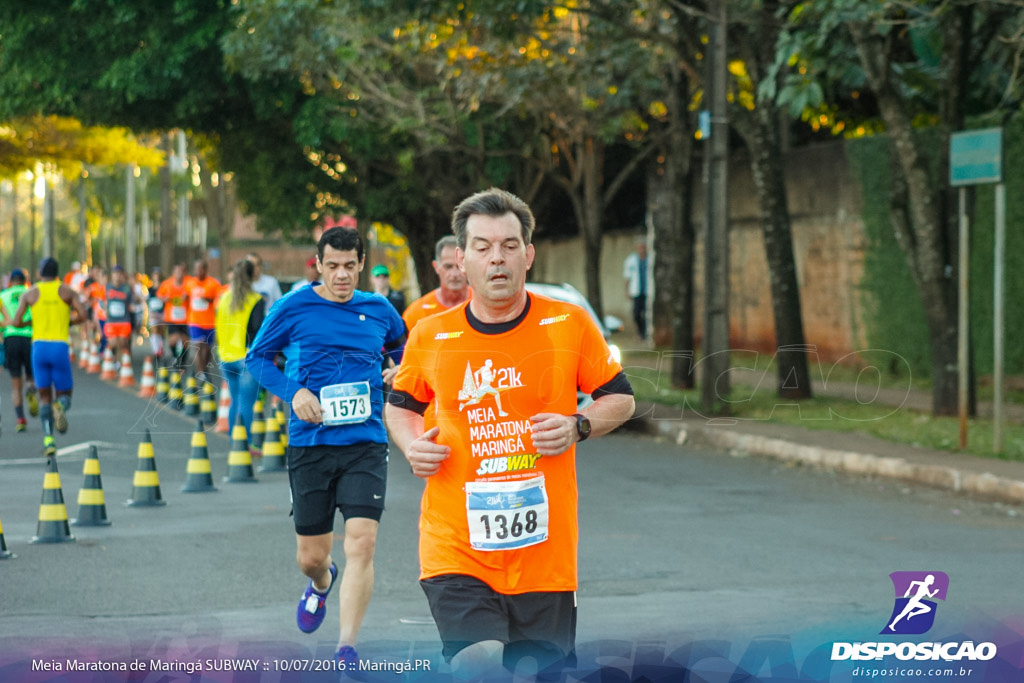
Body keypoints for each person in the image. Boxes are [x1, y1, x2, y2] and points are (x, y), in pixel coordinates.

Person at [385, 188, 635, 680]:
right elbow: (401, 406)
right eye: (482, 246)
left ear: (528, 254)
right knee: (478, 660)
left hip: (545, 555)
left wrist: (578, 425)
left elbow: (621, 399)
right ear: (462, 257)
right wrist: (412, 442)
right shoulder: (432, 335)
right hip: (455, 545)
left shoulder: (567, 323)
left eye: (508, 245)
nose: (496, 258)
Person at [246, 227, 406, 669]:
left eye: (349, 267)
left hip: (366, 442)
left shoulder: (379, 308)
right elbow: (257, 358)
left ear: (361, 265)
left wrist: (399, 369)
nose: (341, 275)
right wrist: (294, 391)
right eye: (332, 266)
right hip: (311, 444)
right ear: (318, 264)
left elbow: (402, 345)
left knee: (362, 544)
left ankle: (346, 647)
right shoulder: (293, 306)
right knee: (311, 557)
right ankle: (321, 583)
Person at [12, 258, 88, 457]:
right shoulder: (66, 291)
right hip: (59, 347)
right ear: (57, 274)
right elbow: (83, 314)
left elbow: (17, 321)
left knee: (44, 397)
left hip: (39, 348)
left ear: (39, 273)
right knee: (65, 396)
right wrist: (68, 322)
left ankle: (48, 440)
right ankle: (60, 406)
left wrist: (32, 323)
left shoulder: (30, 293)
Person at [215, 259, 267, 435]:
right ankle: (245, 443)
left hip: (225, 357)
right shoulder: (255, 299)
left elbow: (218, 328)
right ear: (253, 275)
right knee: (246, 403)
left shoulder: (224, 299)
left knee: (234, 400)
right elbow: (258, 331)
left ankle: (235, 442)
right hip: (245, 358)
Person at [402, 235, 470, 331]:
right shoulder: (416, 313)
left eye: (459, 266)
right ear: (436, 267)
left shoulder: (486, 305)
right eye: (448, 266)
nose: (455, 274)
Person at [1, 269, 39, 432]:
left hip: (11, 339)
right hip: (29, 338)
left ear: (10, 281)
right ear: (25, 281)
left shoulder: (3, 296)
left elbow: (2, 322)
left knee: (15, 383)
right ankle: (31, 389)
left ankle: (20, 419)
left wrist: (9, 325)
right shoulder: (31, 293)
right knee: (30, 375)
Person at [185, 259, 221, 380]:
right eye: (197, 268)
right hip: (194, 321)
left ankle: (204, 369)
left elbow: (219, 300)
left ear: (206, 270)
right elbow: (184, 298)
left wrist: (209, 300)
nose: (199, 271)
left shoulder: (214, 284)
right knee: (198, 346)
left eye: (202, 269)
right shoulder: (189, 283)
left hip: (210, 322)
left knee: (207, 350)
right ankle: (200, 372)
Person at [103, 266, 141, 369]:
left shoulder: (126, 288)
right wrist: (104, 308)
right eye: (115, 273)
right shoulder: (107, 287)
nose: (117, 276)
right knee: (113, 343)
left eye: (119, 274)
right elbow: (102, 300)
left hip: (124, 320)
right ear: (112, 275)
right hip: (111, 320)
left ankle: (118, 363)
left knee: (122, 341)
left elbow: (133, 302)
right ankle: (115, 358)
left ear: (122, 275)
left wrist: (135, 306)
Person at [156, 263, 191, 369]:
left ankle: (183, 361)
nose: (179, 274)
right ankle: (175, 357)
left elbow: (195, 294)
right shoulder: (167, 284)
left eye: (181, 272)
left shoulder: (188, 284)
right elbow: (159, 295)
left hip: (185, 318)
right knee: (173, 340)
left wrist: (188, 296)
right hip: (172, 317)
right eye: (177, 272)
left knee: (185, 341)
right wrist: (164, 299)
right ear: (173, 273)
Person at [622, 238, 649, 341]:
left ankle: (646, 334)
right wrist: (627, 291)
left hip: (648, 292)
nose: (641, 249)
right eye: (639, 247)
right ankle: (641, 332)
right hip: (637, 291)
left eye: (643, 247)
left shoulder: (650, 259)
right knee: (637, 313)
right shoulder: (631, 260)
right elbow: (627, 277)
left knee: (648, 314)